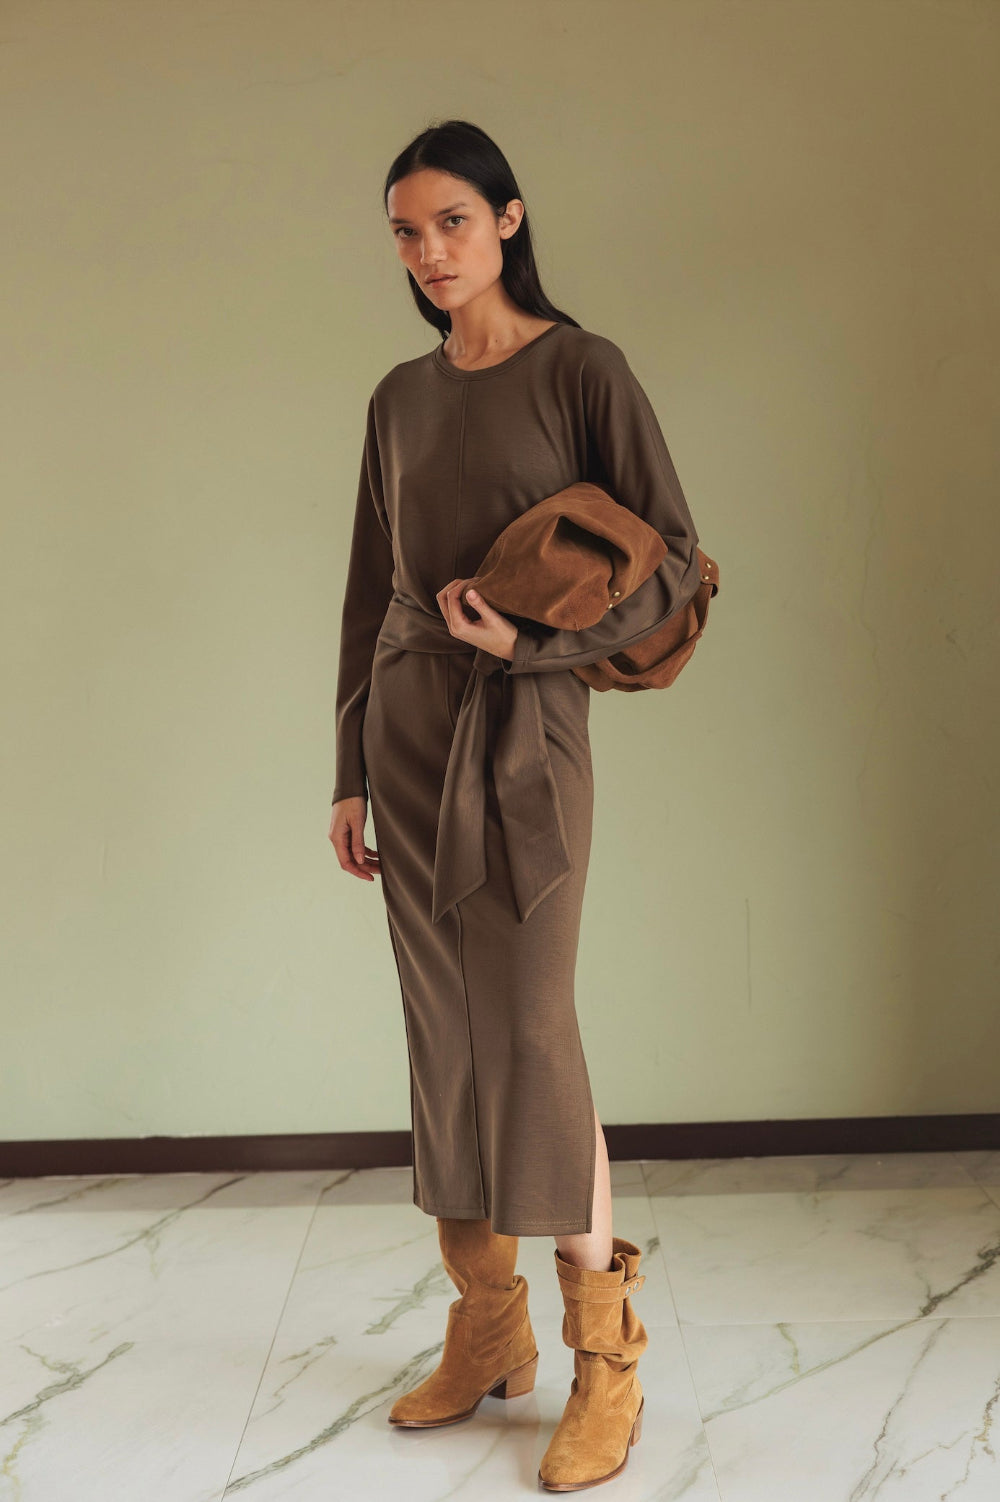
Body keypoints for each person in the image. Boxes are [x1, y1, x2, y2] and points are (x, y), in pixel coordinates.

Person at [327, 119, 703, 1491]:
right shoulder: (396, 397)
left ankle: (608, 1361)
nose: (429, 252)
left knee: (533, 1034)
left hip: (526, 737)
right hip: (409, 735)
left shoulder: (583, 370)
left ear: (509, 219)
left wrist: (530, 643)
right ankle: (490, 1328)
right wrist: (348, 766)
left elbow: (676, 568)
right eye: (406, 231)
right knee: (444, 1038)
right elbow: (369, 592)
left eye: (452, 222)